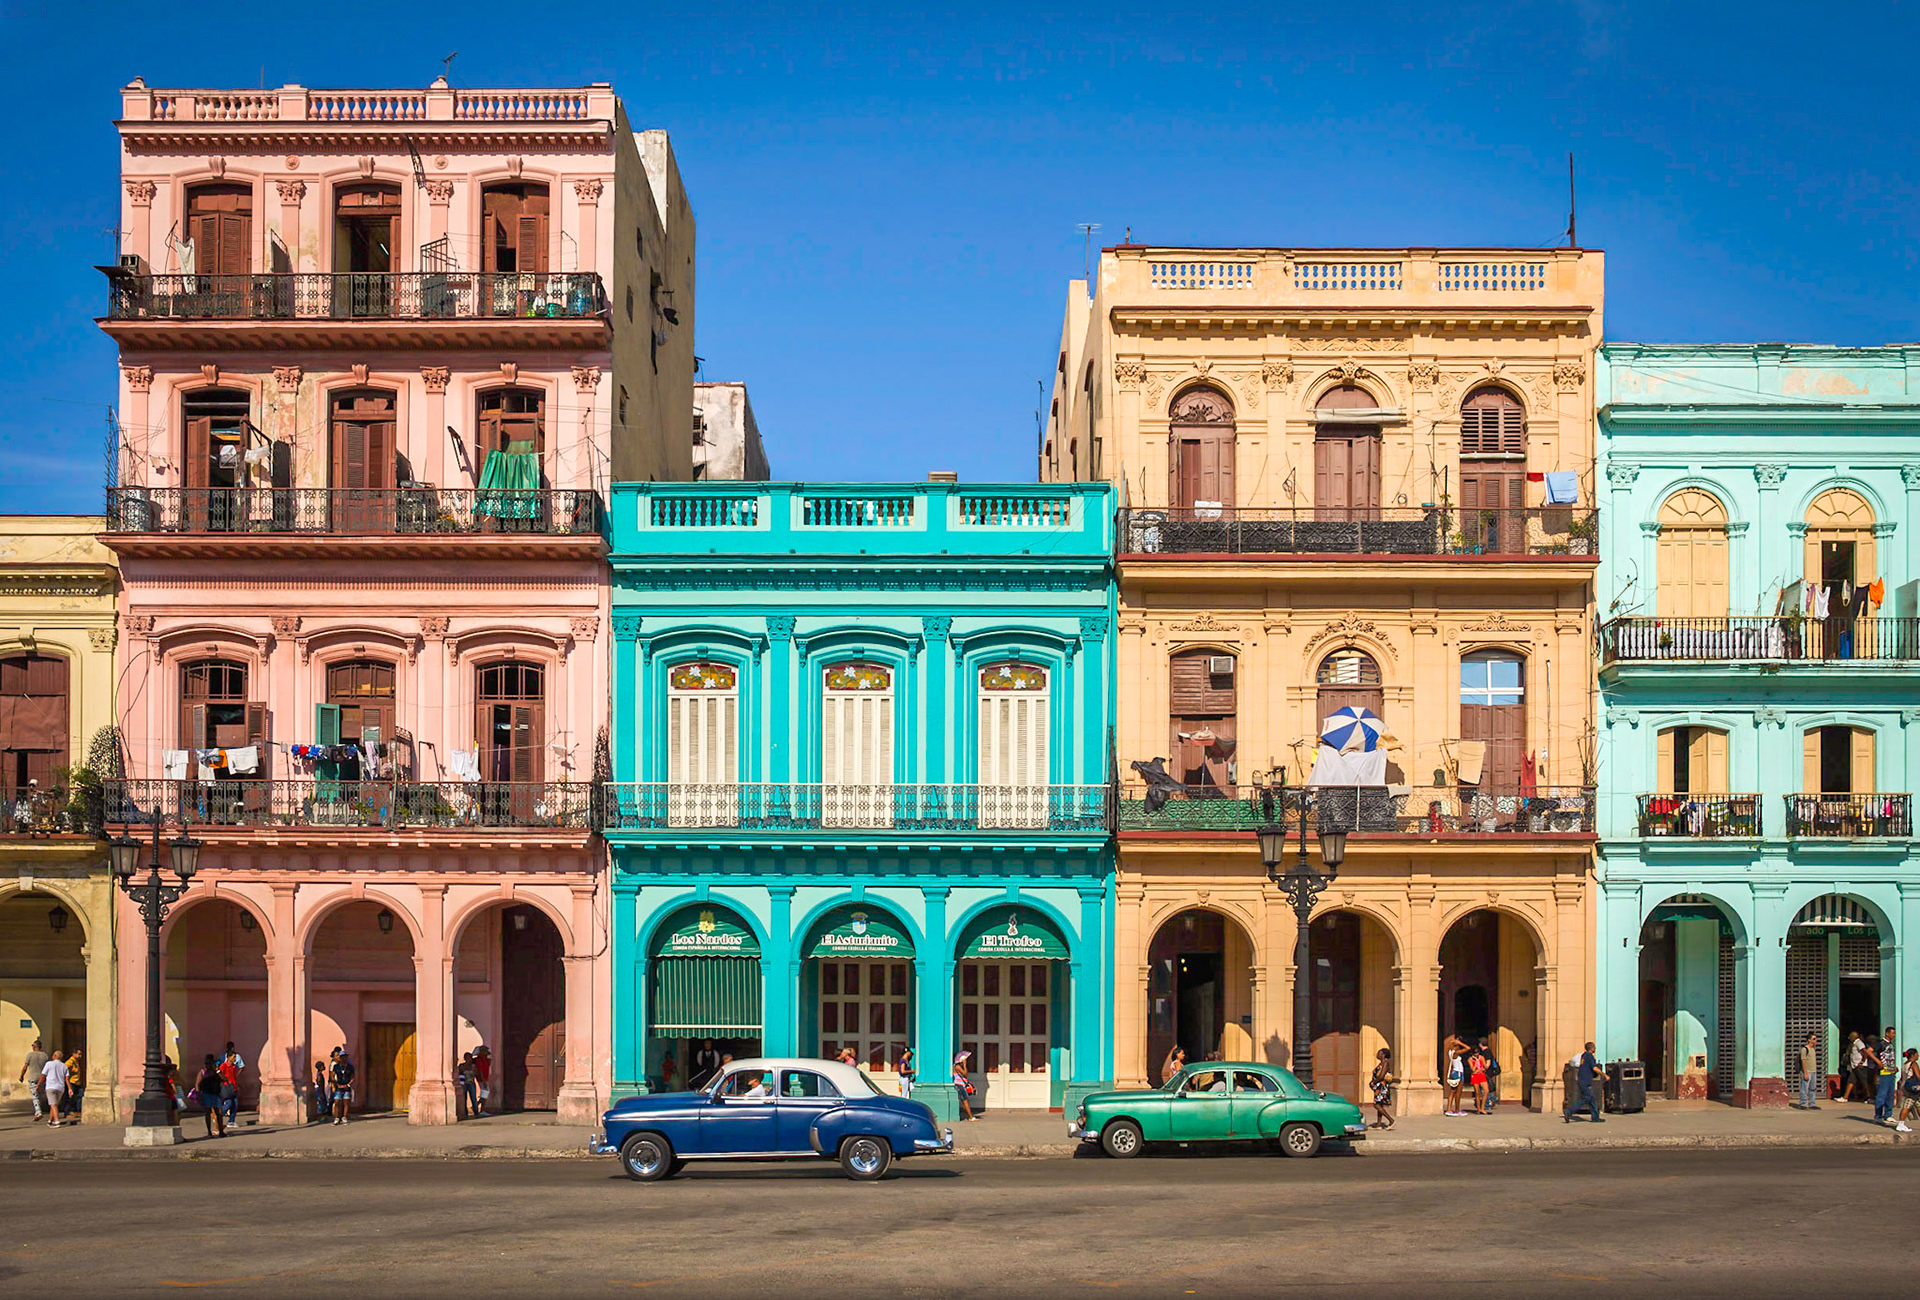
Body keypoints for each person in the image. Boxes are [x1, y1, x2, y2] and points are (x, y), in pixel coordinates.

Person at [1563, 1042, 1606, 1123]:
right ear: (1591, 1048)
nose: (1595, 1049)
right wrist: (1604, 1075)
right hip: (1586, 1081)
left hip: (1582, 1080)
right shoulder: (1590, 1056)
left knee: (1592, 1100)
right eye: (1594, 1047)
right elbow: (1594, 1068)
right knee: (1586, 1098)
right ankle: (1569, 1111)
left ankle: (1595, 1117)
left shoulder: (1584, 1056)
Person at [195, 1054, 227, 1138]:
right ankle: (209, 1131)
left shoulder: (216, 1071)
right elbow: (197, 1084)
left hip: (215, 1094)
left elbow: (225, 1079)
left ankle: (220, 1131)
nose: (208, 1065)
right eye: (207, 1063)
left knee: (218, 1113)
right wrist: (199, 1094)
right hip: (206, 1094)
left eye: (210, 1063)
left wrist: (218, 1071)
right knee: (208, 1113)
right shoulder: (202, 1072)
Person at [1871, 1027, 1899, 1124]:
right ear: (1887, 1033)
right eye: (1892, 1033)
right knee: (1881, 1095)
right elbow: (1869, 1051)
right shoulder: (1881, 1044)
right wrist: (1878, 1062)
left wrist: (1894, 1067)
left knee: (1890, 1096)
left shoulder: (1890, 1044)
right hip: (1883, 1073)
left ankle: (1888, 1115)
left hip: (1891, 1072)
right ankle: (1878, 1116)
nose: (1894, 1035)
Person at [18, 1038, 48, 1121]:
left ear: (35, 1047)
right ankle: (40, 1109)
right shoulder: (45, 1055)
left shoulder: (30, 1055)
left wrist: (21, 1076)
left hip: (33, 1078)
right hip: (42, 1078)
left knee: (35, 1096)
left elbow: (25, 1067)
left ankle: (38, 1112)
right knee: (40, 1095)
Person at [39, 1051, 69, 1127]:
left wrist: (38, 1085)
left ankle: (56, 1121)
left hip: (51, 1086)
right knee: (54, 1104)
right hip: (60, 1087)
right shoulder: (64, 1066)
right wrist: (69, 1088)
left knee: (53, 1104)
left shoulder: (49, 1064)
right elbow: (67, 1078)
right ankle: (50, 1120)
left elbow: (43, 1075)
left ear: (54, 1056)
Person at [1368, 1048, 1395, 1130]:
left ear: (1383, 1054)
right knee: (1380, 1104)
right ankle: (1379, 1124)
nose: (1377, 1054)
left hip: (1382, 1087)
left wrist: (1373, 1082)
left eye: (1379, 1053)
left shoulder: (1385, 1063)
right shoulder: (1381, 1063)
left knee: (1376, 1105)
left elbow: (1381, 1076)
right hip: (1378, 1086)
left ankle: (1391, 1120)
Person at [1797, 1032, 1823, 1110]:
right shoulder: (1805, 1049)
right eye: (1814, 1039)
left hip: (1813, 1071)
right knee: (1804, 1088)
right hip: (1807, 1071)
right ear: (1809, 1040)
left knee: (1813, 1088)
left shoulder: (1813, 1049)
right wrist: (1805, 1073)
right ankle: (1803, 1104)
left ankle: (1812, 1104)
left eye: (1815, 1039)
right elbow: (1803, 1061)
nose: (1815, 1040)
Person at [1897, 1047, 1920, 1135]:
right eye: (1917, 1054)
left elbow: (1902, 1078)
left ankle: (1901, 1124)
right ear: (1913, 1055)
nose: (1918, 1056)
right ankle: (1901, 1124)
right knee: (1907, 1105)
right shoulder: (1914, 1064)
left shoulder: (1905, 1064)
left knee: (1918, 1105)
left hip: (1906, 1087)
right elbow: (1918, 1076)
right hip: (1913, 1088)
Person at [1838, 1031, 1867, 1102]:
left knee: (1864, 1082)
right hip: (1854, 1066)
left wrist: (1862, 1062)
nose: (1849, 1038)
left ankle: (1869, 1097)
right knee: (1851, 1081)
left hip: (1860, 1066)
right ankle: (1845, 1097)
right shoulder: (1853, 1044)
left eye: (1850, 1036)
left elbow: (1865, 1052)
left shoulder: (1859, 1043)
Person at [1442, 1035, 1467, 1116]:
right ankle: (1457, 1110)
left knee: (1452, 1092)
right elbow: (1468, 1048)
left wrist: (1455, 1042)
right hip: (1458, 1073)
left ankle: (1449, 1109)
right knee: (1458, 1093)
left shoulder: (1450, 1051)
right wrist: (1460, 1043)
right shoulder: (1456, 1053)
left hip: (1455, 1072)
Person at [329, 1048, 355, 1125]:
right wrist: (336, 1084)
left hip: (346, 1086)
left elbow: (353, 1077)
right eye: (342, 1057)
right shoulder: (336, 1066)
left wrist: (348, 1084)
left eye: (345, 1057)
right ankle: (337, 1118)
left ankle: (344, 1117)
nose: (344, 1058)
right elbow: (332, 1076)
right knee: (337, 1102)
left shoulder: (350, 1067)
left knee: (346, 1102)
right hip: (338, 1086)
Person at [217, 1048, 241, 1128]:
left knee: (235, 1105)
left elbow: (235, 1076)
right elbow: (220, 1075)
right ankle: (219, 1115)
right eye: (233, 1057)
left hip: (234, 1087)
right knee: (228, 1104)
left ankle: (231, 1121)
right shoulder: (224, 1066)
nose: (235, 1059)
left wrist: (237, 1085)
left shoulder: (234, 1067)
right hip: (227, 1087)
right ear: (229, 1057)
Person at [59, 1049, 83, 1122]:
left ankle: (77, 1111)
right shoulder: (70, 1061)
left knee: (79, 1096)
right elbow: (64, 1069)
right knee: (70, 1098)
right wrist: (70, 1072)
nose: (80, 1056)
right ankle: (67, 1112)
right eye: (79, 1054)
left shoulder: (76, 1061)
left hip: (77, 1082)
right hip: (71, 1082)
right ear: (74, 1054)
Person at [953, 1051, 977, 1121]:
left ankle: (970, 1116)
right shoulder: (957, 1066)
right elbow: (965, 1074)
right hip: (959, 1085)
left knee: (965, 1100)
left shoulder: (958, 1066)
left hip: (962, 1085)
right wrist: (964, 1065)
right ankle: (970, 1117)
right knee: (965, 1100)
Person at [1467, 1043, 1490, 1115]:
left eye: (1477, 1053)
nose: (1477, 1055)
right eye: (1475, 1054)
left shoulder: (1482, 1057)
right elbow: (1473, 1070)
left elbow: (1485, 1067)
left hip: (1481, 1075)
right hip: (1475, 1076)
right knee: (1477, 1092)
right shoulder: (1470, 1059)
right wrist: (1476, 1062)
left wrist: (1481, 1068)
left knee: (1486, 1091)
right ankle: (1478, 1109)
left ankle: (1482, 1108)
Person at [456, 1053, 477, 1119]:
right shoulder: (462, 1065)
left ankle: (476, 1112)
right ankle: (465, 1112)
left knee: (473, 1098)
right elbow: (459, 1073)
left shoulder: (473, 1066)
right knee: (464, 1098)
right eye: (467, 1058)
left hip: (471, 1083)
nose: (468, 1059)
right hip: (464, 1083)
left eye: (469, 1058)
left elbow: (476, 1073)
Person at [472, 1046, 491, 1116]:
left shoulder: (485, 1059)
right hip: (482, 1079)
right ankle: (481, 1109)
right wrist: (483, 1080)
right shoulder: (479, 1060)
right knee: (485, 1093)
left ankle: (477, 1105)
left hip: (485, 1078)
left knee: (485, 1093)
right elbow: (480, 1070)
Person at [1484, 1041, 1503, 1112]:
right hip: (1488, 1072)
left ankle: (1488, 1103)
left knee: (1484, 1090)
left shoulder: (1487, 1052)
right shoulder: (1487, 1051)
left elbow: (1488, 1063)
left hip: (1487, 1073)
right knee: (1485, 1089)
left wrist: (1482, 1069)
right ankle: (1492, 1099)